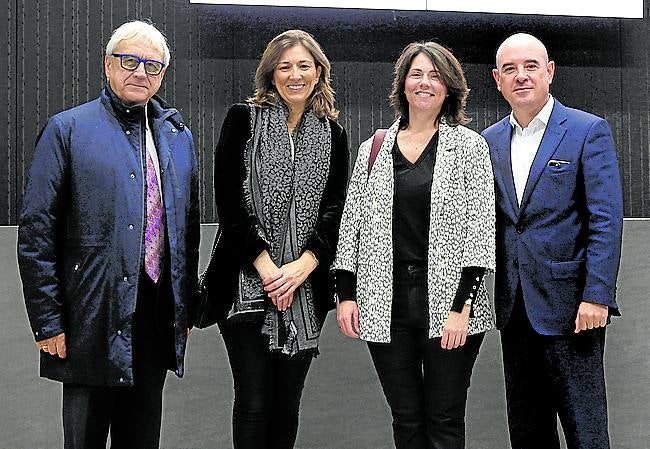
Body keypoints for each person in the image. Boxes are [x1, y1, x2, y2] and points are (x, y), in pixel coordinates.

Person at [17, 20, 200, 449]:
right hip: (89, 318)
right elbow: (36, 233)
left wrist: (187, 305)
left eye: (152, 66)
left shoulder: (178, 137)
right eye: (129, 61)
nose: (140, 72)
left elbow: (187, 228)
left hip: (156, 317)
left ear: (163, 75)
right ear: (107, 64)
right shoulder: (67, 130)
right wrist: (47, 321)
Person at [333, 41, 495, 449]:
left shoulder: (470, 146)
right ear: (403, 84)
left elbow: (480, 230)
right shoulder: (375, 147)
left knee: (444, 421)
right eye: (417, 74)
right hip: (384, 303)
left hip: (451, 308)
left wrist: (462, 308)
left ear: (450, 88)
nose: (425, 83)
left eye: (436, 76)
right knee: (405, 421)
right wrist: (345, 295)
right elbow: (351, 224)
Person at [207, 29, 349, 449]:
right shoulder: (242, 119)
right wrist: (269, 270)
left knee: (288, 404)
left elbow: (335, 209)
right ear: (270, 75)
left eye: (304, 65)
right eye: (284, 67)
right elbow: (229, 204)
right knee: (254, 400)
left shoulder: (333, 133)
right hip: (245, 286)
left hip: (307, 288)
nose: (295, 75)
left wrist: (304, 266)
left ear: (319, 71)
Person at [482, 33, 623, 449]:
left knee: (586, 432)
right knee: (527, 432)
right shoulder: (487, 142)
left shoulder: (586, 130)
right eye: (510, 69)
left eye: (530, 66)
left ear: (550, 72)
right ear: (496, 79)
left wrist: (597, 296)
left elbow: (605, 220)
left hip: (573, 309)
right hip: (515, 309)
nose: (520, 76)